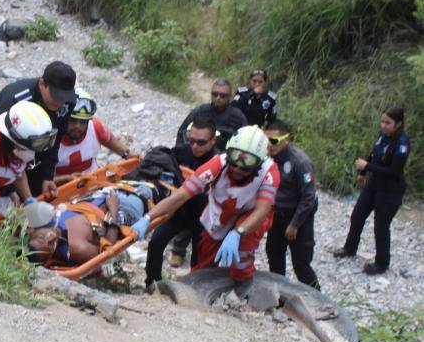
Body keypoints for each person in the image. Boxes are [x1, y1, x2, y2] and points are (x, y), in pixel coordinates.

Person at [134, 126, 279, 291]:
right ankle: (200, 287)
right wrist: (148, 218)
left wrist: (238, 232)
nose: (238, 168)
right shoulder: (218, 164)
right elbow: (180, 196)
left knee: (243, 248)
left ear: (259, 161)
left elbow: (263, 209)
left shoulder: (269, 172)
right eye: (235, 158)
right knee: (207, 256)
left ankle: (243, 283)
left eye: (247, 163)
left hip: (252, 214)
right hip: (222, 211)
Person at [334, 107, 411, 275]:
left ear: (398, 124)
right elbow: (373, 154)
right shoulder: (383, 136)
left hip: (390, 189)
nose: (383, 126)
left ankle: (381, 263)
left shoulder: (402, 144)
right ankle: (349, 248)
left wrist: (368, 167)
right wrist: (363, 172)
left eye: (388, 123)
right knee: (357, 215)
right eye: (382, 121)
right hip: (374, 183)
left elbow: (393, 171)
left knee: (381, 226)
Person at [145, 116, 219, 286]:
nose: (195, 146)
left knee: (198, 257)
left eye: (201, 142)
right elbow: (160, 162)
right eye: (191, 140)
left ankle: (194, 289)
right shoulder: (181, 151)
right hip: (178, 210)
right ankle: (152, 283)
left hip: (204, 216)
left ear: (213, 140)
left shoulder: (218, 161)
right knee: (156, 242)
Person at [0, 61, 77, 198]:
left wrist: (47, 176)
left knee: (35, 199)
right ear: (42, 84)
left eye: (64, 98)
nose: (60, 103)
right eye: (56, 97)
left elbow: (55, 138)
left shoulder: (68, 102)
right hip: (4, 155)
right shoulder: (16, 98)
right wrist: (9, 188)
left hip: (37, 154)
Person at [24, 185, 155, 265]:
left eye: (42, 237)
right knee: (150, 189)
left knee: (138, 174)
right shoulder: (77, 248)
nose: (50, 238)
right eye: (51, 246)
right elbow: (108, 252)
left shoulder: (42, 221)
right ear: (51, 255)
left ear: (32, 231)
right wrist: (113, 212)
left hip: (97, 195)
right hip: (123, 209)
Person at [264, 121, 320, 289]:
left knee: (301, 264)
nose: (269, 145)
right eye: (266, 140)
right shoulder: (266, 158)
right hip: (276, 216)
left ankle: (316, 297)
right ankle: (279, 296)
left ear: (286, 140)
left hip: (298, 218)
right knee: (274, 258)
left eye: (273, 141)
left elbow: (308, 197)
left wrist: (294, 224)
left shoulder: (300, 162)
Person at [54, 90, 137, 185]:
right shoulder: (52, 138)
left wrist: (128, 154)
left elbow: (110, 141)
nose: (77, 126)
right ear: (64, 118)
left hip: (94, 181)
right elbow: (41, 181)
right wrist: (67, 178)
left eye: (82, 122)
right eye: (73, 121)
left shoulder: (95, 127)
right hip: (62, 189)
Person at [176, 79, 247, 150]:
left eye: (223, 95)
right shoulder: (200, 111)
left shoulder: (238, 116)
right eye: (215, 94)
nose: (218, 98)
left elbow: (245, 141)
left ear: (229, 97)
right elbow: (181, 133)